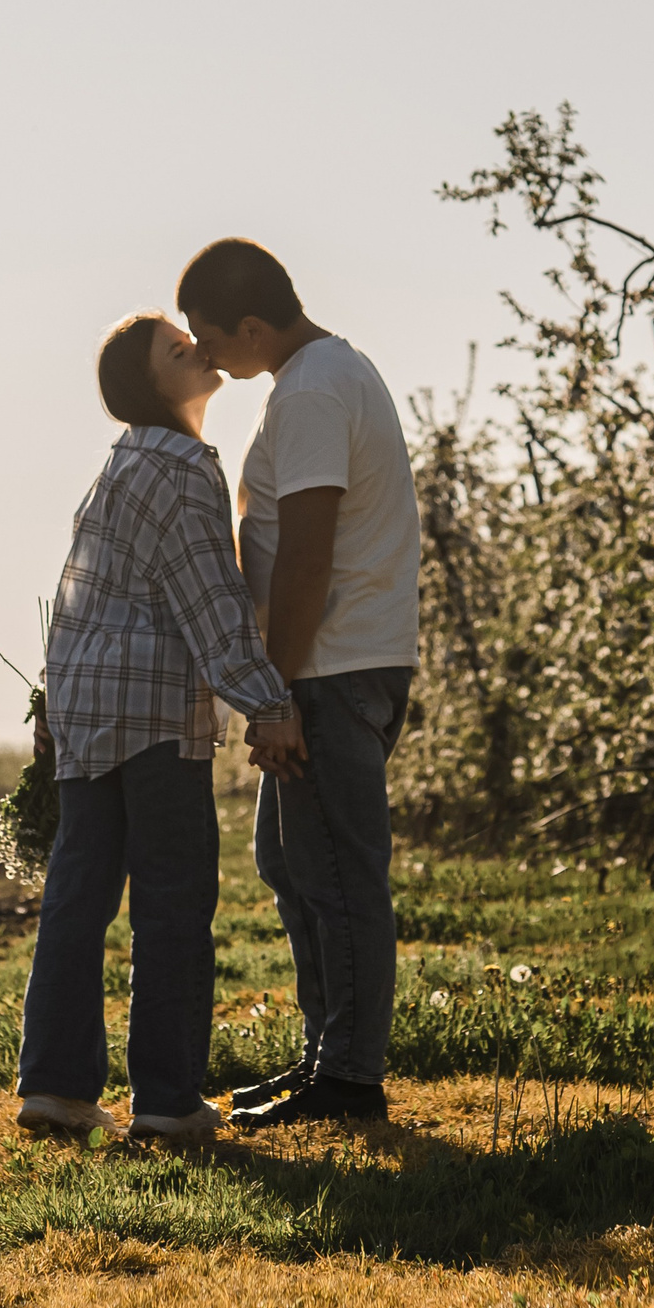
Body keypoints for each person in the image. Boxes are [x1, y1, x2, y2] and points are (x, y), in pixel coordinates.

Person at [15, 311, 309, 1145]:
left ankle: (56, 1087)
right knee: (173, 903)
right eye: (175, 349)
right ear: (152, 386)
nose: (193, 348)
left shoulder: (113, 471)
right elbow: (211, 601)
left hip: (87, 717)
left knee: (78, 898)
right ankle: (169, 1101)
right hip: (152, 717)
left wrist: (54, 713)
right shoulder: (182, 466)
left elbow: (73, 603)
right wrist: (270, 703)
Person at [179, 238, 420, 1127]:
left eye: (212, 339)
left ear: (252, 324)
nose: (207, 357)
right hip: (330, 662)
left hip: (330, 665)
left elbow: (309, 554)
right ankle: (328, 1056)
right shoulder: (318, 377)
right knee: (290, 860)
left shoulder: (315, 389)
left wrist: (275, 693)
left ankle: (349, 1077)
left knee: (337, 875)